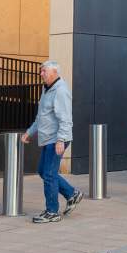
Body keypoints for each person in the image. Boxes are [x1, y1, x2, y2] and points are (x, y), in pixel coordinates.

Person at [21, 61, 82, 223]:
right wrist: (29, 132)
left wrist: (61, 139)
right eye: (41, 71)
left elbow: (66, 119)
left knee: (49, 174)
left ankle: (52, 211)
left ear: (54, 72)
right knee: (44, 171)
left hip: (57, 139)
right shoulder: (46, 89)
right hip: (48, 138)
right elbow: (41, 116)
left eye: (44, 71)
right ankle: (71, 193)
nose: (41, 74)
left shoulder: (60, 91)